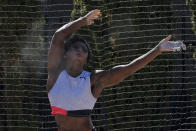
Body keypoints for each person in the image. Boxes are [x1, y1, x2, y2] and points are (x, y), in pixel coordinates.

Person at [46, 9, 185, 131]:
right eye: (76, 47)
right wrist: (83, 21)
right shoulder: (55, 75)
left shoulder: (93, 79)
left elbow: (128, 69)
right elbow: (59, 36)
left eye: (84, 50)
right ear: (65, 53)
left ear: (86, 59)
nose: (80, 51)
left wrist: (157, 50)